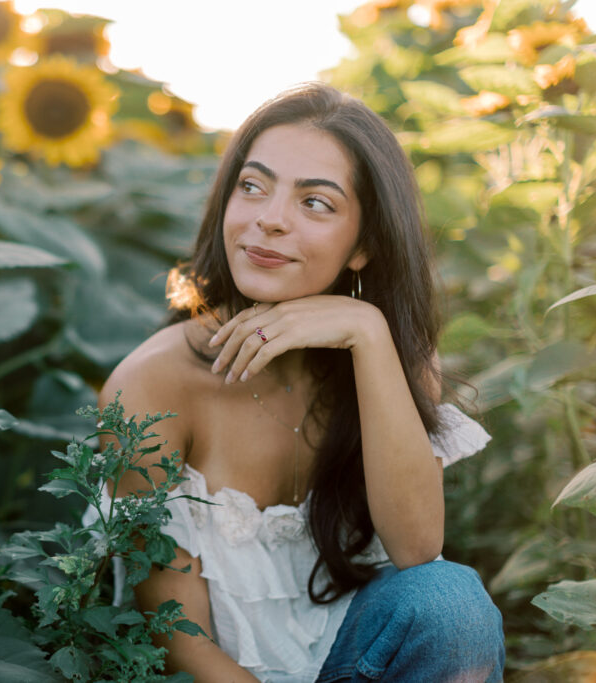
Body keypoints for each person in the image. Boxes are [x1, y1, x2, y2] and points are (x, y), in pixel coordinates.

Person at [96, 82, 505, 682]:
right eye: (253, 187)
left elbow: (418, 553)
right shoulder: (154, 385)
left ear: (364, 245)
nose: (269, 220)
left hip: (353, 656)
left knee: (450, 601)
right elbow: (175, 639)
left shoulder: (391, 357)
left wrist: (366, 331)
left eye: (315, 202)